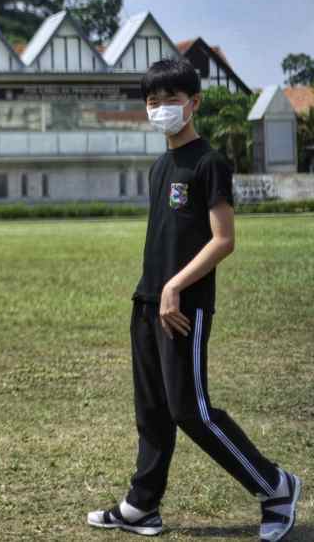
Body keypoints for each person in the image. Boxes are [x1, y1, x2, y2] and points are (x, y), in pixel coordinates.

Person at [86, 58, 301, 541]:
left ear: (194, 103)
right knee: (152, 411)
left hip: (184, 307)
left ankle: (276, 486)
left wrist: (176, 286)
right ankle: (142, 507)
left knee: (191, 411)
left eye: (171, 100)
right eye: (153, 101)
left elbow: (223, 239)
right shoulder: (161, 166)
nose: (161, 109)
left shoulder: (209, 162)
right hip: (149, 302)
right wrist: (155, 292)